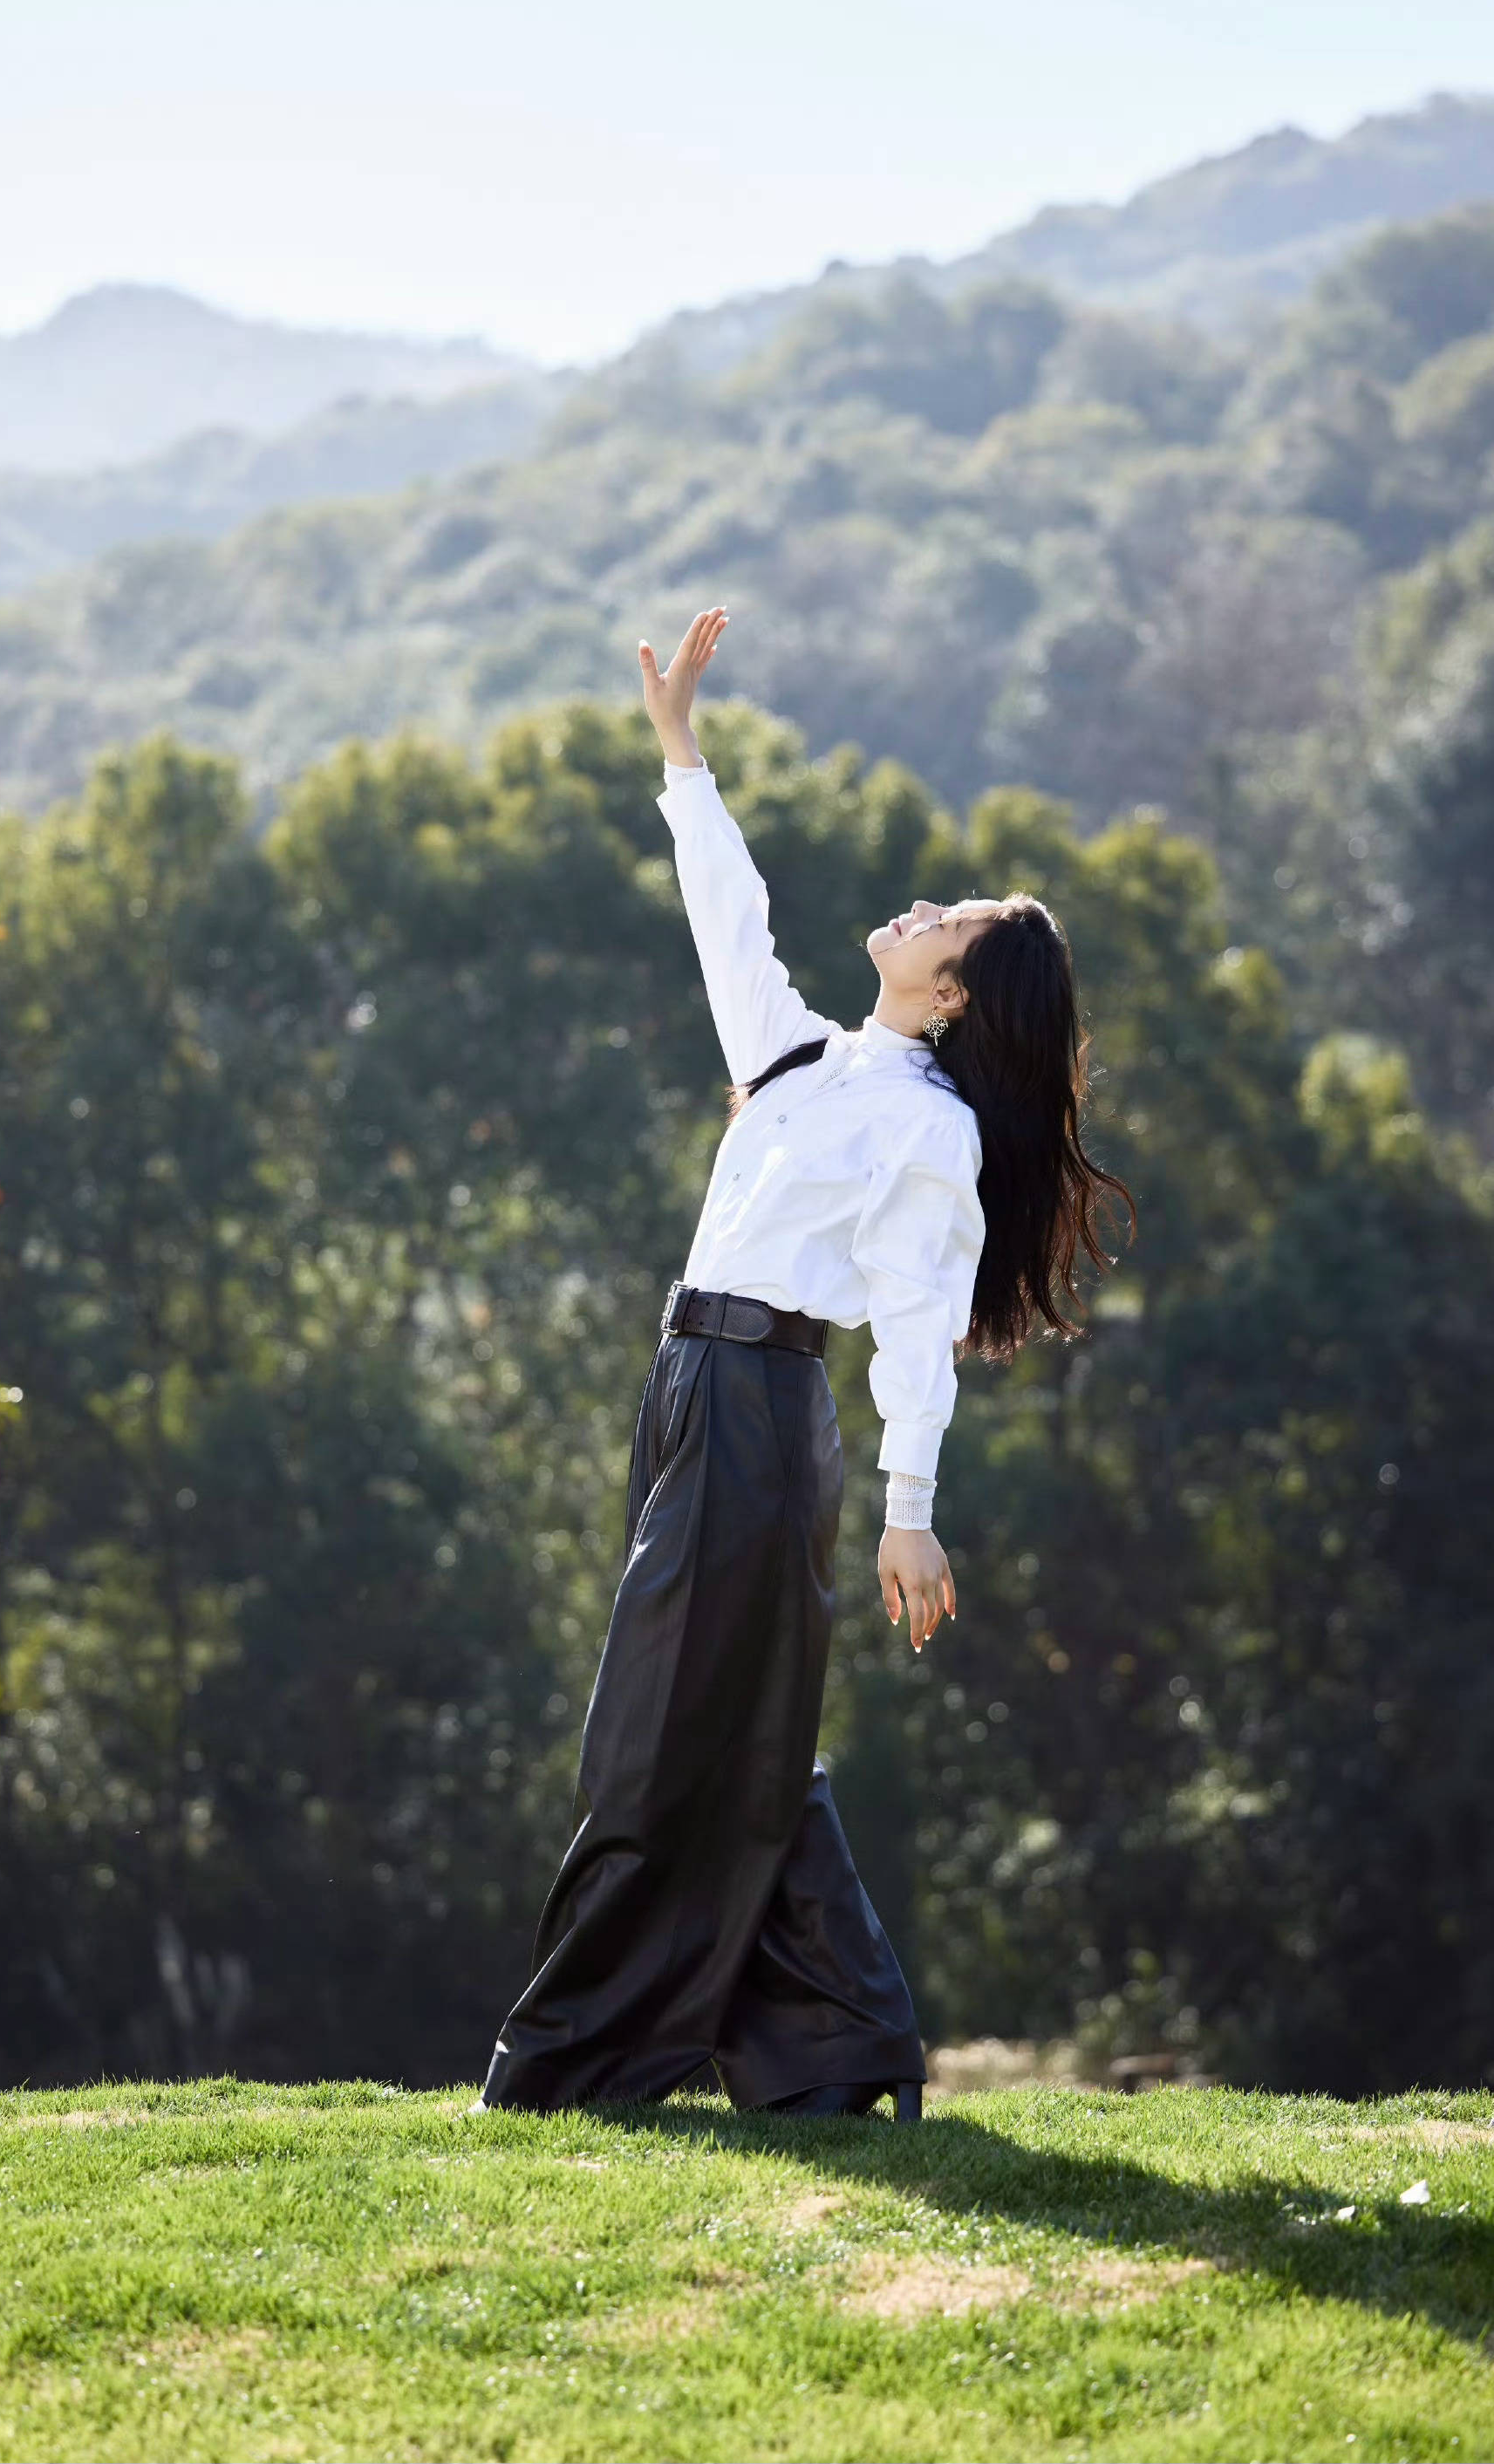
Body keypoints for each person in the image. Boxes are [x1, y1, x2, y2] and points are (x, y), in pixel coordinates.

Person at [479, 607, 1129, 2119]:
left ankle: (573, 2061)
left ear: (954, 994)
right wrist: (680, 748)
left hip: (765, 1406)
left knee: (652, 1736)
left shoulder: (930, 1129)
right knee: (739, 1734)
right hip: (688, 1390)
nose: (920, 906)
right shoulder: (797, 1055)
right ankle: (838, 2049)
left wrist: (911, 1511)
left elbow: (913, 1326)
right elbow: (729, 912)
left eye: (948, 921)